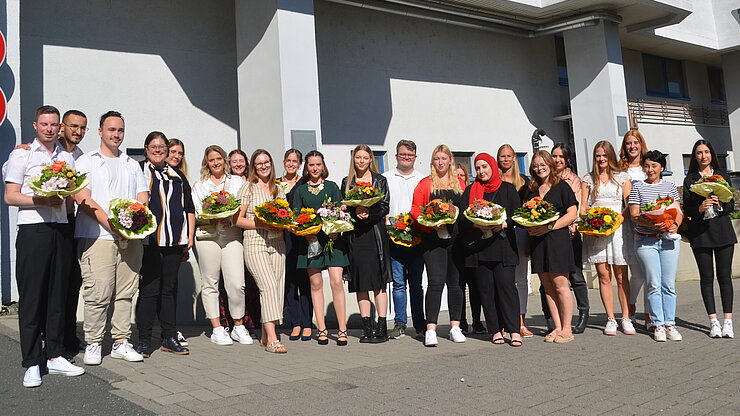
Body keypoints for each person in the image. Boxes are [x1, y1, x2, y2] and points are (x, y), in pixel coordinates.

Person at [4, 105, 85, 387]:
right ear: (35, 125)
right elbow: (10, 196)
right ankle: (31, 362)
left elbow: (73, 193)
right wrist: (41, 200)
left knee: (58, 295)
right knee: (32, 298)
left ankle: (55, 355)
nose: (49, 129)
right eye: (44, 124)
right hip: (34, 230)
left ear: (59, 128)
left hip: (61, 229)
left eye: (54, 125)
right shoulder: (22, 154)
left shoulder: (67, 157)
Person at [74, 111, 149, 365]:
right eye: (111, 130)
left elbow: (142, 196)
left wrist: (134, 223)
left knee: (126, 292)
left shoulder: (131, 164)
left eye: (120, 130)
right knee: (98, 292)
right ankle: (94, 342)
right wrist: (112, 225)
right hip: (98, 235)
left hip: (130, 238)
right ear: (100, 132)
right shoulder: (86, 161)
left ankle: (120, 341)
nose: (116, 135)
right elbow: (83, 198)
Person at [135, 132, 195, 357]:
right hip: (149, 240)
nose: (158, 150)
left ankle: (169, 337)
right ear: (146, 148)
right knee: (149, 290)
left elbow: (189, 207)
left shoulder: (177, 174)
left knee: (168, 290)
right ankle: (143, 339)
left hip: (175, 240)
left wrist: (189, 236)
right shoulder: (139, 170)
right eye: (154, 146)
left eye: (162, 147)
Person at [457, 153, 522, 346]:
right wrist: (475, 225)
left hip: (504, 248)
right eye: (477, 168)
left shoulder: (508, 189)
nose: (481, 171)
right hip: (480, 249)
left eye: (484, 167)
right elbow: (462, 218)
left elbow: (517, 215)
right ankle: (495, 330)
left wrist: (503, 224)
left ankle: (513, 330)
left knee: (507, 288)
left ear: (492, 167)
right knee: (486, 291)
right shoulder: (471, 190)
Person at [192, 145, 252, 346]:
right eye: (212, 160)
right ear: (206, 163)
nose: (216, 163)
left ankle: (238, 325)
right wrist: (213, 215)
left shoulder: (236, 181)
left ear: (224, 160)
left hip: (231, 235)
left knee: (236, 283)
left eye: (219, 158)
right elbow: (198, 211)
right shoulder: (200, 185)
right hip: (207, 236)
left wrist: (230, 217)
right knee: (210, 282)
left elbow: (242, 206)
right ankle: (217, 328)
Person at [410, 144, 466, 347]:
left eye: (444, 158)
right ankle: (431, 329)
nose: (440, 162)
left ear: (450, 160)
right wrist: (429, 223)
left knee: (455, 283)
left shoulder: (460, 183)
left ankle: (455, 327)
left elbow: (466, 209)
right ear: (432, 162)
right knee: (435, 282)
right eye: (437, 159)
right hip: (432, 240)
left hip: (456, 240)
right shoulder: (425, 184)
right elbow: (415, 210)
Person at [292, 150, 349, 346]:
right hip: (311, 242)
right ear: (306, 168)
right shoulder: (300, 191)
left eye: (318, 164)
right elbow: (296, 217)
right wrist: (305, 232)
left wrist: (337, 230)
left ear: (323, 166)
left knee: (337, 282)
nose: (315, 168)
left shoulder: (332, 187)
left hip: (333, 241)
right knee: (315, 284)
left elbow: (341, 212)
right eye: (311, 165)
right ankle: (322, 329)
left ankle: (342, 329)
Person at [235, 149, 288, 353]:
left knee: (278, 288)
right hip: (255, 242)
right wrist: (261, 224)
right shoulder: (248, 188)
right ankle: (273, 339)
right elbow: (237, 220)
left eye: (266, 162)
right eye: (259, 163)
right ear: (253, 167)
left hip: (278, 243)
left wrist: (282, 223)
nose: (263, 166)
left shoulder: (279, 189)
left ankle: (266, 335)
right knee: (268, 286)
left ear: (271, 164)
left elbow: (285, 215)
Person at [628, 150, 683, 342]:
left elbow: (678, 211)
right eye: (647, 165)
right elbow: (634, 214)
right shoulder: (638, 187)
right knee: (653, 283)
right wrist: (651, 222)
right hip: (646, 241)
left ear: (662, 168)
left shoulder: (670, 186)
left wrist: (674, 225)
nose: (650, 169)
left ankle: (670, 323)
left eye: (654, 166)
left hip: (668, 241)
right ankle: (657, 323)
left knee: (668, 284)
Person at [524, 150, 579, 343]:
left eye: (542, 164)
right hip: (538, 242)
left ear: (550, 164)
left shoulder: (562, 187)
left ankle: (567, 328)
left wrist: (549, 227)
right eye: (536, 166)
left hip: (557, 240)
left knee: (561, 285)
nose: (539, 168)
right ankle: (556, 326)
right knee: (547, 287)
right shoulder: (532, 190)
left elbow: (572, 214)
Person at [683, 140, 736, 338]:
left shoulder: (722, 176)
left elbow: (731, 204)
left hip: (723, 232)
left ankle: (728, 322)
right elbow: (687, 208)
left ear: (711, 154)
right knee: (706, 278)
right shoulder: (690, 179)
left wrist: (720, 205)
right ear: (695, 156)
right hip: (700, 234)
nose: (703, 156)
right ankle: (713, 322)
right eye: (699, 153)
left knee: (724, 276)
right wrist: (699, 208)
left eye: (706, 152)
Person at [580, 141, 634, 335]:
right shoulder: (588, 179)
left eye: (604, 155)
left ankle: (626, 317)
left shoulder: (622, 177)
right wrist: (590, 222)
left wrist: (619, 218)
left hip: (618, 228)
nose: (601, 159)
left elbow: (629, 203)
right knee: (604, 275)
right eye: (598, 155)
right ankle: (610, 318)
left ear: (610, 156)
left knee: (621, 276)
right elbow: (583, 207)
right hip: (598, 229)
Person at [342, 145, 392, 343]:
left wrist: (369, 213)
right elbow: (344, 209)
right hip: (356, 237)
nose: (361, 161)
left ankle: (382, 328)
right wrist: (355, 212)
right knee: (360, 283)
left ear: (371, 159)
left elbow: (385, 206)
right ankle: (367, 328)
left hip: (374, 234)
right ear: (353, 160)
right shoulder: (347, 182)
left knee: (379, 283)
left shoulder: (380, 180)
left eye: (365, 157)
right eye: (358, 157)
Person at [540, 143, 589, 334]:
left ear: (567, 160)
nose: (557, 159)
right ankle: (551, 319)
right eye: (554, 156)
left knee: (575, 276)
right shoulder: (544, 179)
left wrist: (572, 226)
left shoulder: (574, 181)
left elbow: (576, 208)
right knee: (548, 281)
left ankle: (583, 313)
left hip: (570, 234)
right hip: (550, 236)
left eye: (561, 156)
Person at [383, 140, 426, 338]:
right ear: (396, 156)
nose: (406, 158)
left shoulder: (422, 179)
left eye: (410, 155)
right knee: (398, 284)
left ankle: (420, 324)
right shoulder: (386, 178)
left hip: (417, 237)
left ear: (415, 157)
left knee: (416, 284)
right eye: (403, 155)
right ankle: (400, 323)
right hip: (394, 237)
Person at [59, 110, 88, 361]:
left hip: (72, 223)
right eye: (74, 126)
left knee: (72, 282)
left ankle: (69, 335)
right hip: (50, 223)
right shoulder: (51, 151)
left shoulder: (81, 156)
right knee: (56, 283)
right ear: (63, 126)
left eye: (82, 128)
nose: (77, 131)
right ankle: (54, 337)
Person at [497, 144, 533, 337]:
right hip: (500, 233)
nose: (506, 159)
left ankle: (520, 321)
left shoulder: (525, 182)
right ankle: (505, 321)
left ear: (514, 158)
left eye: (509, 156)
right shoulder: (495, 182)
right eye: (502, 156)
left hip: (520, 232)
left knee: (521, 279)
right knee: (504, 279)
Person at [280, 149, 313, 341]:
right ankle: (295, 323)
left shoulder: (304, 183)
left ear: (300, 164)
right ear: (284, 162)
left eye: (295, 161)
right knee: (289, 282)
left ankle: (307, 323)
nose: (291, 164)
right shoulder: (276, 183)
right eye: (288, 160)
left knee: (304, 281)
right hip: (282, 237)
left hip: (301, 237)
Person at [619, 130, 649, 327]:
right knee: (637, 273)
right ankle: (631, 304)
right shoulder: (619, 169)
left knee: (649, 274)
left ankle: (649, 314)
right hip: (628, 225)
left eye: (635, 142)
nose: (632, 146)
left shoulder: (648, 166)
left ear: (641, 144)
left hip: (648, 223)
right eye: (628, 143)